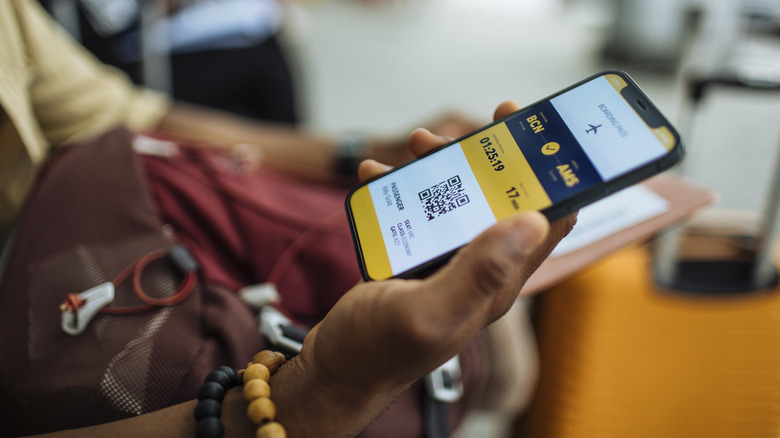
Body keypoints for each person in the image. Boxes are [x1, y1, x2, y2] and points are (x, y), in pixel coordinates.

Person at [0, 0, 576, 437]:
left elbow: (135, 113)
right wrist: (319, 398)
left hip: (129, 215)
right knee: (502, 366)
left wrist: (366, 145)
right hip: (95, 293)